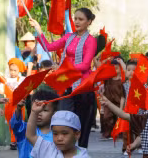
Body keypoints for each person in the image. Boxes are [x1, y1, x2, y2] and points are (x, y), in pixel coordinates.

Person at [30, 8, 98, 148]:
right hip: (67, 85)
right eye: (75, 18)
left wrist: (62, 69)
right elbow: (49, 47)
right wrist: (38, 29)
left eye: (81, 19)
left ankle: (81, 154)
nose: (77, 22)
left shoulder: (91, 41)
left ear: (89, 22)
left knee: (82, 125)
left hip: (83, 87)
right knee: (64, 120)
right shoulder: (69, 37)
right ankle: (65, 150)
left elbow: (85, 65)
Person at [99, 60, 125, 140]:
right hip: (108, 103)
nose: (115, 70)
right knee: (107, 117)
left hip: (118, 103)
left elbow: (123, 96)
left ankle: (118, 133)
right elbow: (100, 69)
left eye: (116, 68)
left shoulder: (121, 81)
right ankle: (108, 133)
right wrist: (104, 61)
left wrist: (121, 108)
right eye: (112, 69)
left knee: (118, 119)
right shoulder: (107, 79)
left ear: (120, 69)